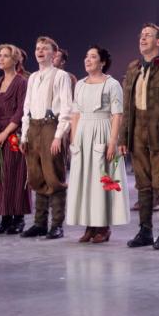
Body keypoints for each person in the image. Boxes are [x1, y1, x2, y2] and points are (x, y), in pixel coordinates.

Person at [120, 24, 159, 250]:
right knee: (143, 185)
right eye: (141, 35)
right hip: (137, 134)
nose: (143, 38)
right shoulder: (134, 68)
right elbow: (128, 108)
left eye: (148, 35)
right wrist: (123, 138)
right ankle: (145, 231)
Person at [66, 46, 130, 243]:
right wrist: (74, 141)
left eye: (93, 57)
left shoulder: (112, 85)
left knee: (101, 179)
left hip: (102, 131)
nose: (88, 60)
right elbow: (75, 114)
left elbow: (117, 115)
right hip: (83, 134)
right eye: (86, 56)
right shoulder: (80, 84)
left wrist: (113, 142)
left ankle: (103, 226)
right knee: (84, 180)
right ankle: (89, 226)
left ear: (102, 62)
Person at [19, 36, 73, 239]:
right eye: (37, 48)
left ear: (54, 53)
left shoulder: (60, 76)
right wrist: (24, 136)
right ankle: (40, 223)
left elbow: (66, 108)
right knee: (36, 175)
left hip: (51, 126)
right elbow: (27, 108)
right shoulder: (32, 77)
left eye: (45, 48)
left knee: (54, 176)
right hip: (34, 127)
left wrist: (59, 136)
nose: (40, 51)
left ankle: (56, 224)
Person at [0, 44, 30, 234]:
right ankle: (5, 217)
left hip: (13, 136)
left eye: (6, 56)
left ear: (15, 60)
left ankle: (18, 218)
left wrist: (5, 134)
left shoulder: (21, 82)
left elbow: (21, 111)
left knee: (15, 176)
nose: (1, 59)